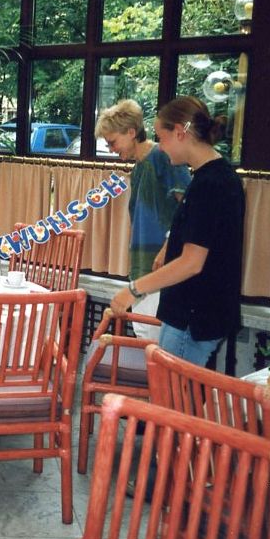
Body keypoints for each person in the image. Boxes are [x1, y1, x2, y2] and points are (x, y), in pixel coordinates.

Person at [110, 96, 245, 367]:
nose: (160, 146)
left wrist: (134, 290)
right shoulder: (211, 176)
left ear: (180, 132)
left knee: (171, 392)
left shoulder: (212, 184)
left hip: (193, 315)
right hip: (192, 310)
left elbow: (192, 263)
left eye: (162, 138)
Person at [95, 99, 191, 340]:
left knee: (152, 337)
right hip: (144, 262)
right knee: (144, 333)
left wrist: (168, 247)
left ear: (131, 132)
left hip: (162, 264)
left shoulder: (162, 157)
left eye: (113, 142)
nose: (111, 149)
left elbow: (190, 206)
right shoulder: (139, 166)